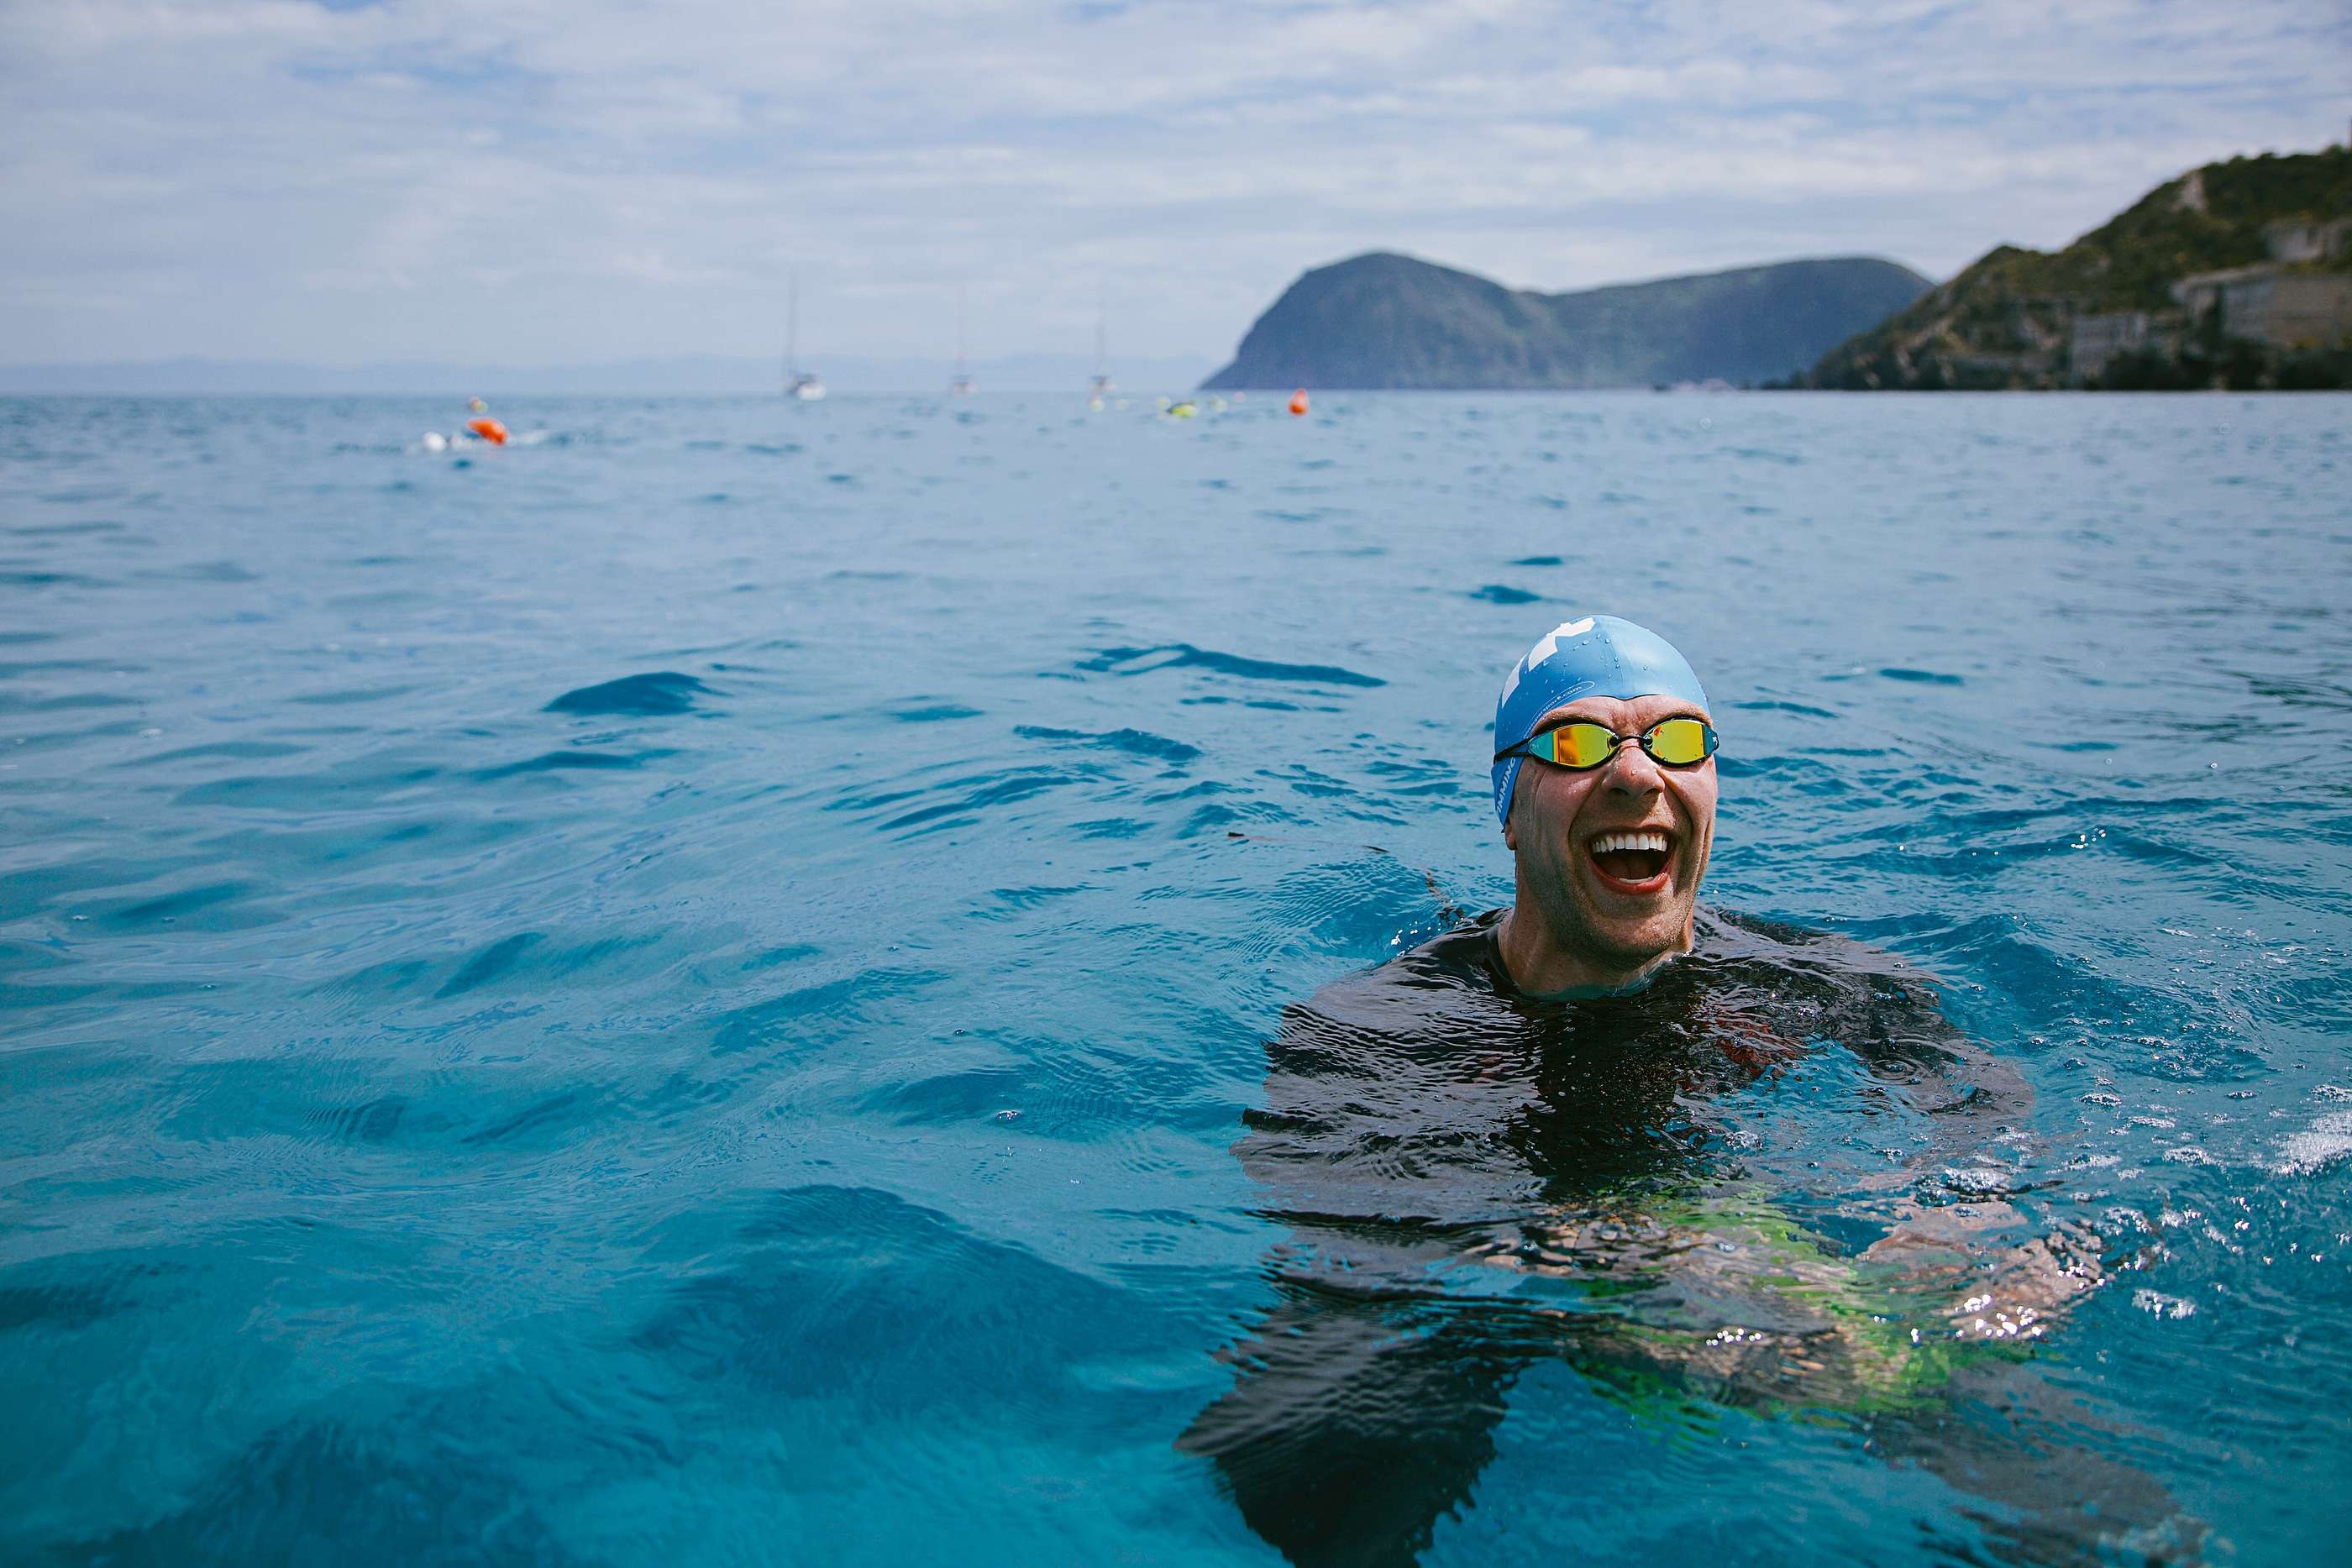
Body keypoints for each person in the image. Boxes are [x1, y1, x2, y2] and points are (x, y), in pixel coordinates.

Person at [1180, 616, 2197, 1568]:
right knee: (1319, 1470)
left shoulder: (1825, 982)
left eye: (1676, 739)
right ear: (1508, 806)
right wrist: (1589, 1266)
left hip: (1745, 1274)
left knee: (2099, 1520)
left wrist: (1962, 1221)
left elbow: (1993, 1120)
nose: (1635, 772)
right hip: (1505, 1280)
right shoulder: (1370, 1028)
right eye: (1575, 745)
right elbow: (1338, 1239)